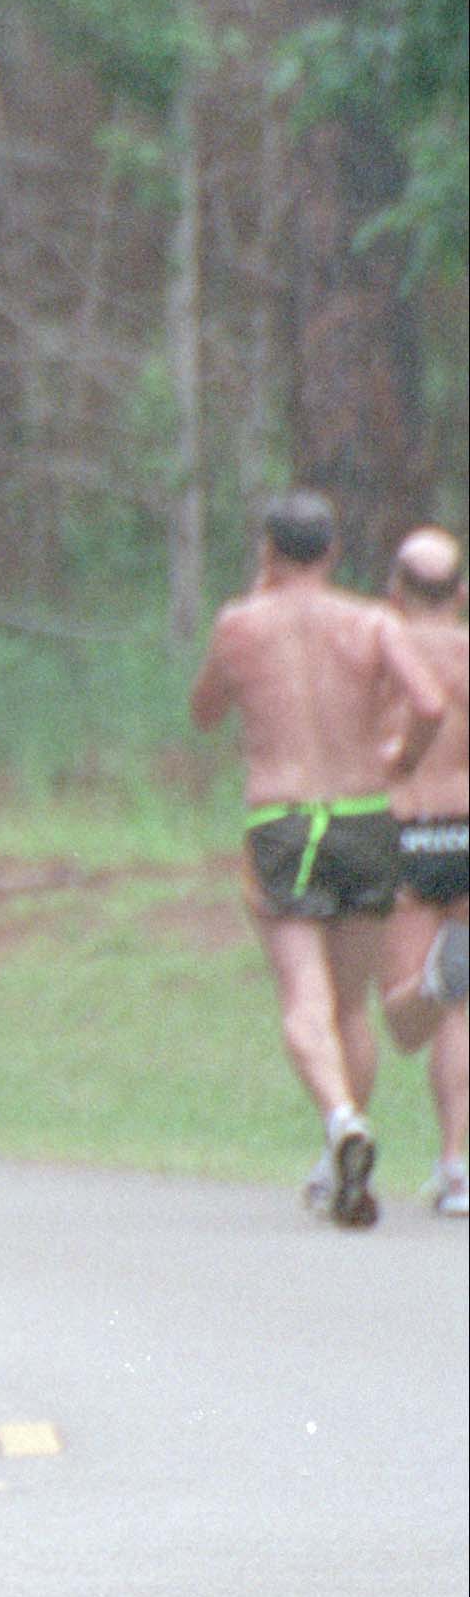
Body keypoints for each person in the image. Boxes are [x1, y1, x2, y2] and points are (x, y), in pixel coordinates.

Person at [187, 490, 449, 1227]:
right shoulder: (371, 620)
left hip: (283, 817)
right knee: (350, 1005)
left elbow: (205, 711)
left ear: (268, 551)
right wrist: (400, 760)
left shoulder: (241, 623)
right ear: (333, 552)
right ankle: (345, 1162)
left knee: (302, 993)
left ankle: (340, 1123)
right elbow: (429, 703)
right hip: (367, 815)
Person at [376, 526, 469, 1216]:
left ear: (396, 590)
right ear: (462, 593)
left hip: (409, 828)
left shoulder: (384, 655)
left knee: (408, 1018)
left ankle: (439, 977)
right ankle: (454, 1164)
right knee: (462, 1014)